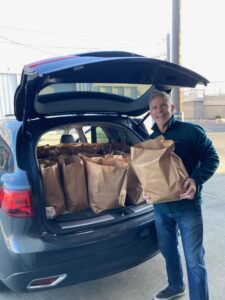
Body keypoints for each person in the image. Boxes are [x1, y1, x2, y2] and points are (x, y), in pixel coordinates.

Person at [147, 91, 219, 300]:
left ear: (171, 107)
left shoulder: (190, 132)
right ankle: (176, 286)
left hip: (187, 207)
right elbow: (149, 173)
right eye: (154, 107)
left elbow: (212, 158)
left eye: (163, 106)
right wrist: (146, 189)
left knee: (194, 259)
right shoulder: (150, 139)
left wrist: (196, 179)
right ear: (150, 112)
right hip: (161, 209)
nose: (159, 111)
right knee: (168, 252)